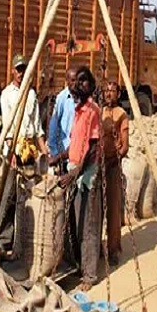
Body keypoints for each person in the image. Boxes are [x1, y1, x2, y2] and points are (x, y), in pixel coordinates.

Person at [51, 66, 102, 291]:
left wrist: (74, 173)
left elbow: (92, 148)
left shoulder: (92, 111)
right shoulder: (78, 110)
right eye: (75, 81)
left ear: (90, 85)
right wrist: (60, 157)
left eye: (83, 81)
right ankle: (78, 265)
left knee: (87, 226)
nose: (77, 85)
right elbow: (76, 144)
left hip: (86, 175)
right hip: (74, 170)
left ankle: (89, 275)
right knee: (74, 223)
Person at [0, 54, 48, 257]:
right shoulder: (7, 95)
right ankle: (3, 240)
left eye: (24, 69)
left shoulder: (31, 94)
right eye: (18, 69)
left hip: (29, 149)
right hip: (14, 149)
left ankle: (25, 240)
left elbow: (37, 126)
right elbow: (7, 127)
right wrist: (11, 153)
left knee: (29, 197)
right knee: (9, 196)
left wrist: (44, 151)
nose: (21, 73)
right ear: (12, 71)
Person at [101, 81, 129, 266]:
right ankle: (97, 246)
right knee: (97, 208)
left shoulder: (121, 115)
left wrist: (114, 159)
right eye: (106, 91)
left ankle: (113, 249)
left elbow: (125, 146)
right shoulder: (100, 112)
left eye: (112, 91)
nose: (109, 94)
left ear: (118, 94)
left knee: (113, 209)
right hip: (99, 165)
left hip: (112, 166)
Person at [48, 67, 78, 174]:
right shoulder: (62, 98)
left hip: (77, 154)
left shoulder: (82, 98)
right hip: (63, 153)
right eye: (72, 80)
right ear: (67, 81)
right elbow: (54, 125)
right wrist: (55, 153)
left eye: (77, 80)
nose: (75, 83)